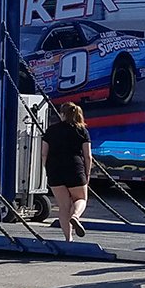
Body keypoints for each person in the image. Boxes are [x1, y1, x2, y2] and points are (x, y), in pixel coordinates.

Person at [41, 102, 92, 241]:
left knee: (63, 206)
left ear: (62, 114)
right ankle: (75, 216)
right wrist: (87, 174)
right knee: (81, 199)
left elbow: (44, 154)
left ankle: (68, 239)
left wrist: (47, 169)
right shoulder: (81, 130)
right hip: (74, 168)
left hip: (55, 169)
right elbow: (88, 155)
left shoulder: (51, 130)